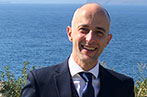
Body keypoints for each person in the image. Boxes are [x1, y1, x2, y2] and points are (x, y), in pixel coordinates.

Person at [21, 3, 134, 97]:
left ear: (107, 40)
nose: (90, 39)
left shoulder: (123, 87)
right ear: (70, 33)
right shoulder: (40, 82)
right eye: (83, 29)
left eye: (99, 32)